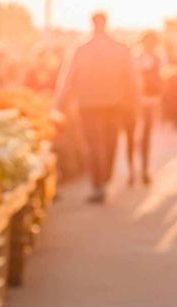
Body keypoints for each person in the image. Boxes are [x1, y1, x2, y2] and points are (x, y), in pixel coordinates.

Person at [55, 12, 140, 203]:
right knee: (108, 143)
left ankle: (99, 184)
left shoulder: (82, 49)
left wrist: (59, 104)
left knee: (95, 145)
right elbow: (133, 79)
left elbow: (67, 80)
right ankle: (103, 180)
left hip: (91, 104)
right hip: (111, 104)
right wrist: (134, 100)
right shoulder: (119, 48)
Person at [123, 31, 165, 186]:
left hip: (149, 102)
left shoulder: (157, 59)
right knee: (131, 137)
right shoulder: (135, 58)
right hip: (133, 103)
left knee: (146, 138)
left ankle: (144, 170)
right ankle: (131, 171)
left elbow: (159, 82)